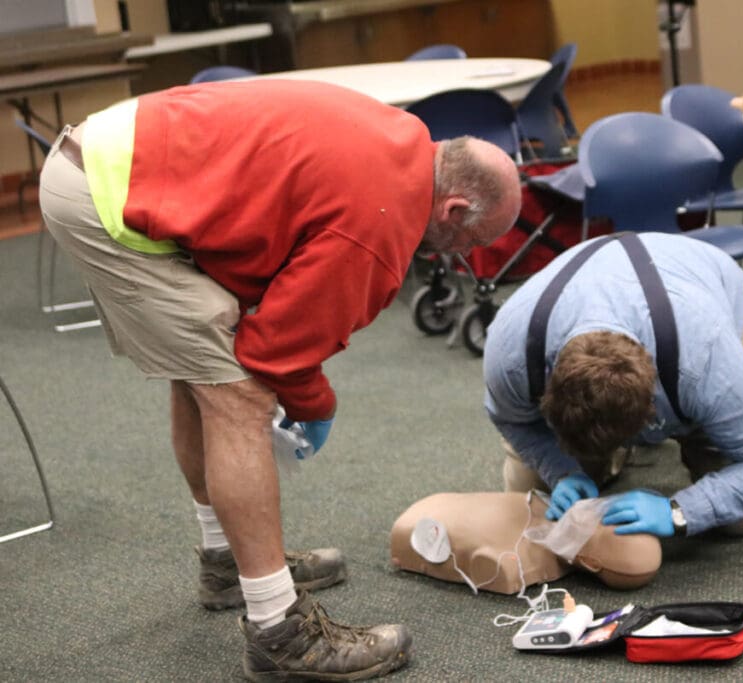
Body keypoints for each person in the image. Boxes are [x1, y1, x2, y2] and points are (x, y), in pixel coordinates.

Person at [38, 78, 521, 681]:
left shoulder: (402, 138)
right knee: (237, 396)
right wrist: (317, 406)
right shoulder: (380, 217)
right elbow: (277, 353)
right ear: (452, 209)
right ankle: (280, 635)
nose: (453, 257)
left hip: (115, 157)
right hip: (106, 192)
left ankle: (224, 561)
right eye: (467, 242)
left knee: (202, 373)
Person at [483, 232, 743, 544]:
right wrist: (561, 470)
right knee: (531, 492)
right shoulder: (512, 354)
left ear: (653, 408)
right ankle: (601, 461)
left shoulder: (706, 356)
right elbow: (512, 420)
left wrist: (679, 511)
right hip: (591, 296)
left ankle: (673, 444)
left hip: (708, 302)